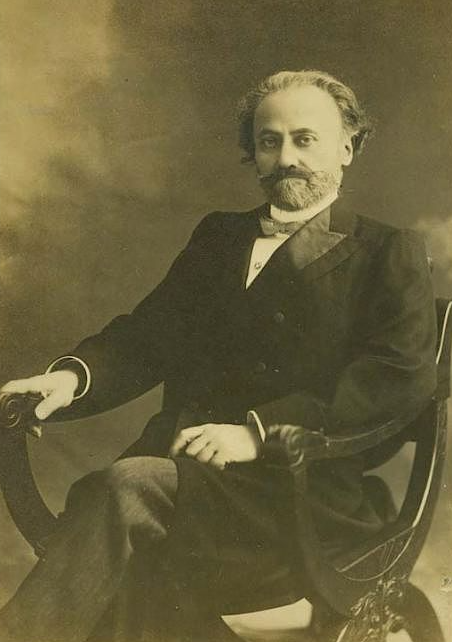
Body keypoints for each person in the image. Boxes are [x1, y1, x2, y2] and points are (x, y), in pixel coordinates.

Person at [0, 70, 437, 642]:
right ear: (253, 152)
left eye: (305, 139)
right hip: (184, 471)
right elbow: (149, 335)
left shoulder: (386, 252)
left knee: (121, 490)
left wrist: (257, 434)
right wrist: (70, 379)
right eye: (269, 141)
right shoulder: (219, 237)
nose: (286, 158)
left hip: (296, 491)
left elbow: (395, 381)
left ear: (347, 148)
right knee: (120, 503)